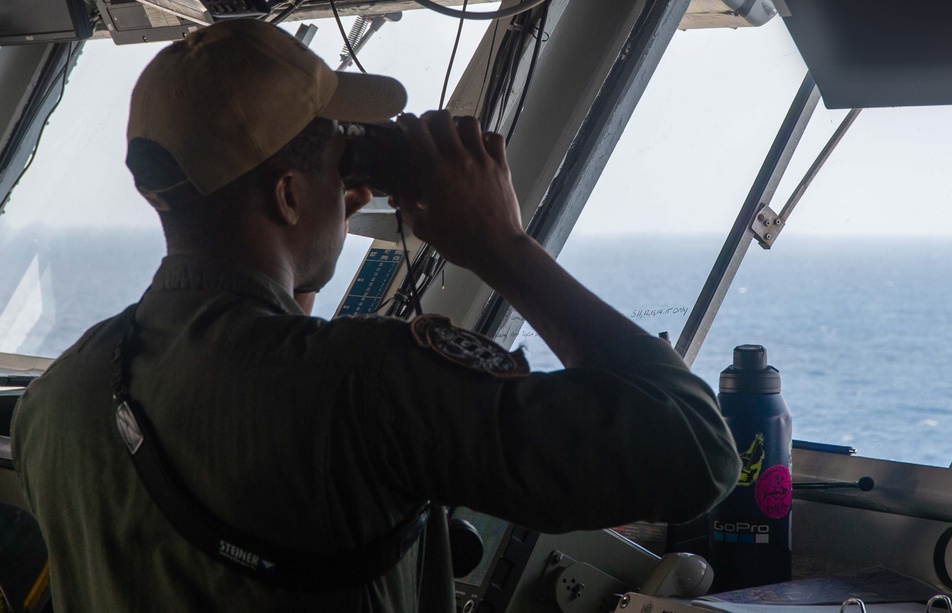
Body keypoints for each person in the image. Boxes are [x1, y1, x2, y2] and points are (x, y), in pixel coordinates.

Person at [11, 18, 740, 613]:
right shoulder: (367, 384)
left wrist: (300, 259)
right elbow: (695, 450)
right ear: (290, 197)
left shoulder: (54, 405)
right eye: (339, 157)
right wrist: (501, 243)